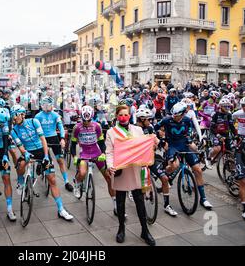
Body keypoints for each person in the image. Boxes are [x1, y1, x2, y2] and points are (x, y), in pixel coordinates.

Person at [10, 105, 73, 221]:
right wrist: (25, 153)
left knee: (52, 180)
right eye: (12, 116)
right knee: (21, 165)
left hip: (40, 150)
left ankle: (61, 209)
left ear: (22, 115)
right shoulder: (14, 130)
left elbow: (43, 139)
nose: (13, 119)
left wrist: (45, 156)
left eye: (15, 116)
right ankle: (20, 181)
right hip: (28, 151)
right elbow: (20, 146)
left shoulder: (34, 122)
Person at [106, 105, 157, 246]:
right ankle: (121, 228)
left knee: (139, 201)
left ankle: (145, 231)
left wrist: (154, 141)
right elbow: (109, 152)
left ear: (130, 115)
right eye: (121, 114)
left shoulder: (138, 130)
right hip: (121, 171)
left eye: (126, 114)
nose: (123, 117)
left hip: (135, 170)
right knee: (121, 202)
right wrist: (110, 166)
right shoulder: (111, 132)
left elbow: (145, 146)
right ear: (117, 116)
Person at [154, 102, 213, 210]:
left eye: (177, 116)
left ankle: (203, 198)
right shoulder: (167, 120)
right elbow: (154, 127)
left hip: (184, 145)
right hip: (172, 146)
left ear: (182, 114)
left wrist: (190, 141)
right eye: (173, 115)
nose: (174, 117)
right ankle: (164, 177)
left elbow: (189, 131)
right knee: (174, 165)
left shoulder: (186, 120)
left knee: (198, 170)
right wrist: (161, 140)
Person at [71, 105, 116, 210]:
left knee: (109, 178)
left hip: (97, 153)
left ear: (92, 117)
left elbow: (101, 143)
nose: (86, 123)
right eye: (84, 120)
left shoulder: (97, 126)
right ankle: (77, 184)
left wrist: (104, 153)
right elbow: (73, 145)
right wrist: (74, 157)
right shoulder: (77, 127)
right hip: (84, 154)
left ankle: (115, 204)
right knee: (82, 173)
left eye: (88, 120)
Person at [136, 107, 178, 217]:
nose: (150, 122)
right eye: (148, 119)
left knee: (164, 178)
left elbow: (155, 138)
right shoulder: (133, 129)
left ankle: (167, 205)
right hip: (138, 161)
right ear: (141, 119)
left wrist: (161, 143)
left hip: (151, 158)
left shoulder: (149, 128)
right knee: (140, 185)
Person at [35, 97, 73, 192]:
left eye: (50, 105)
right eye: (47, 105)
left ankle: (66, 181)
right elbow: (34, 129)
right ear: (43, 106)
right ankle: (40, 163)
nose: (49, 107)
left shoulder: (55, 115)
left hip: (54, 137)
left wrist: (63, 139)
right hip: (43, 138)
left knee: (60, 160)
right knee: (46, 157)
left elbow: (60, 126)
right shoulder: (38, 116)